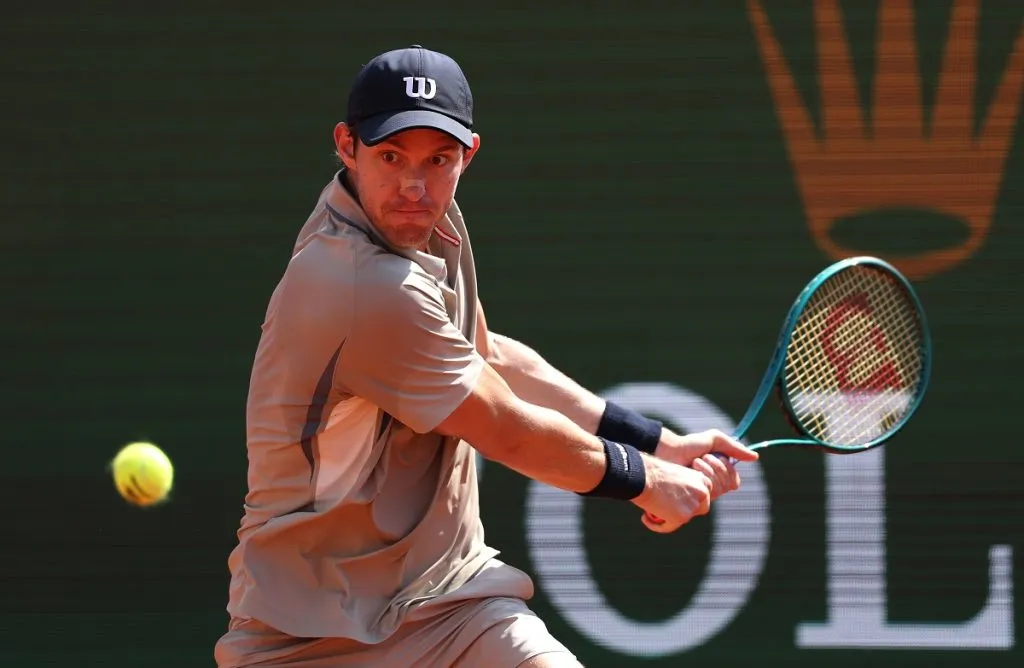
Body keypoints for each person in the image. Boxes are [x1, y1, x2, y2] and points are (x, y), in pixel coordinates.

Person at [214, 44, 758, 668]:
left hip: (452, 602)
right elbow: (505, 428)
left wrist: (657, 442)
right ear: (347, 146)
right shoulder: (361, 283)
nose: (413, 185)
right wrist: (648, 481)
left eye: (438, 160)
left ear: (467, 154)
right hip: (307, 637)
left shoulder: (427, 227)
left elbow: (488, 357)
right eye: (391, 156)